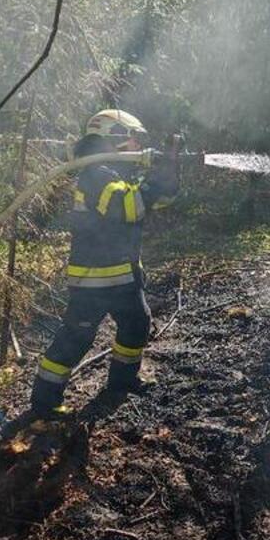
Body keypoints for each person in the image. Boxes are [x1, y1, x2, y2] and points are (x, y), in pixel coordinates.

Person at [29, 109, 179, 418]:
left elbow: (160, 200)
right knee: (75, 339)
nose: (138, 146)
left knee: (137, 324)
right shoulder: (95, 173)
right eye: (134, 140)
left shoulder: (117, 172)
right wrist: (151, 184)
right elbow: (126, 207)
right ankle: (44, 404)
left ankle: (122, 382)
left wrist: (168, 172)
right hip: (92, 279)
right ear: (114, 138)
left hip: (124, 274)